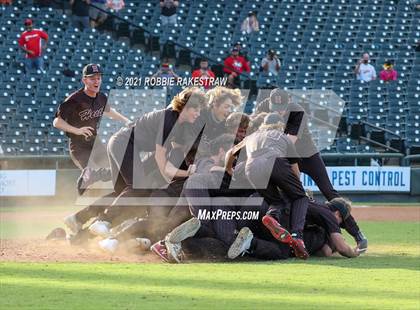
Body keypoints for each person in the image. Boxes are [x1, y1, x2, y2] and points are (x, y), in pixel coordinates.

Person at [253, 88, 368, 253]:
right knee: (285, 194)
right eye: (275, 107)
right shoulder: (263, 107)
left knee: (329, 191)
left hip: (306, 154)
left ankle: (357, 233)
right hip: (283, 156)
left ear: (288, 102)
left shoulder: (297, 111)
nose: (278, 110)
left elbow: (288, 142)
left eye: (282, 107)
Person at [225, 113, 310, 259]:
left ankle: (271, 217)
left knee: (275, 201)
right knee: (300, 197)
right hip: (274, 160)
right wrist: (297, 188)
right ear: (280, 126)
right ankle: (297, 236)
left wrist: (228, 169)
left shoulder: (251, 137)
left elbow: (230, 153)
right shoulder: (283, 136)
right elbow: (295, 170)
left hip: (251, 167)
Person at [53, 64, 130, 197]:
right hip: (79, 145)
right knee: (90, 174)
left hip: (95, 142)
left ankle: (119, 198)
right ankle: (89, 180)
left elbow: (110, 112)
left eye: (99, 78)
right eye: (92, 78)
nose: (96, 81)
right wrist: (76, 130)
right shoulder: (74, 99)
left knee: (115, 169)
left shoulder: (101, 98)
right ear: (84, 80)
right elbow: (56, 122)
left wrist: (126, 121)